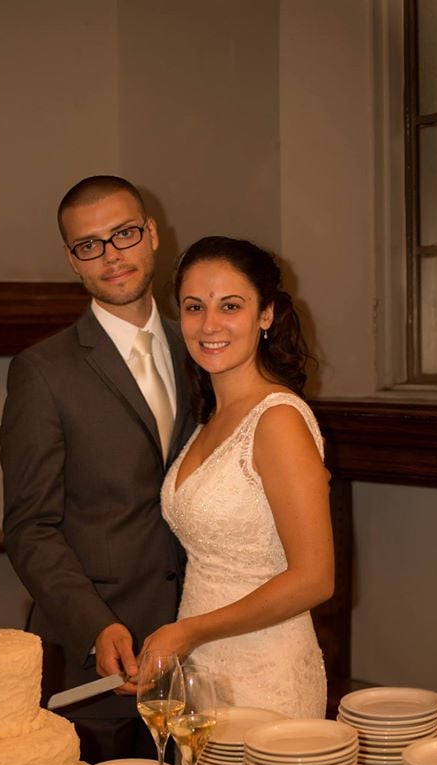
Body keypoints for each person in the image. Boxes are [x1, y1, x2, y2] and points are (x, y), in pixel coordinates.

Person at [0, 175, 195, 762]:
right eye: (89, 244)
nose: (111, 255)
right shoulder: (42, 372)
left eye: (124, 234)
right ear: (72, 260)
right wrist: (95, 625)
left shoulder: (202, 348)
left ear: (152, 234)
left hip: (201, 647)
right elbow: (30, 528)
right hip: (101, 665)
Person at [141, 236, 334, 719]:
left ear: (265, 314)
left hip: (265, 674)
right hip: (203, 670)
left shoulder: (278, 419)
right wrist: (181, 643)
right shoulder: (210, 418)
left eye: (230, 306)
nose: (209, 325)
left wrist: (189, 632)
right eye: (194, 307)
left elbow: (315, 579)